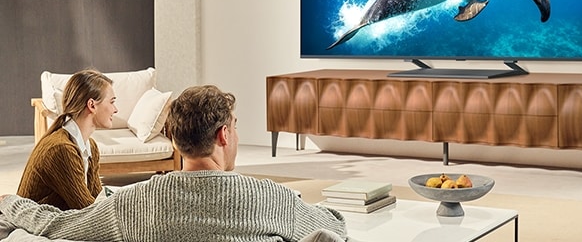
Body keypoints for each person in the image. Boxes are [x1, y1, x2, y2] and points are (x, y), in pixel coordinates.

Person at [0, 85, 347, 242]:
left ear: (174, 138)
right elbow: (337, 226)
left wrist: (13, 204)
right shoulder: (270, 198)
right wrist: (297, 203)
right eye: (236, 126)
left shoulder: (133, 204)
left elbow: (62, 225)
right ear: (224, 135)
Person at [16, 69, 117, 210]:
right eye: (112, 102)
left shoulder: (90, 146)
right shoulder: (61, 149)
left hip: (58, 220)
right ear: (92, 105)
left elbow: (97, 198)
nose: (115, 109)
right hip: (36, 227)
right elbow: (89, 212)